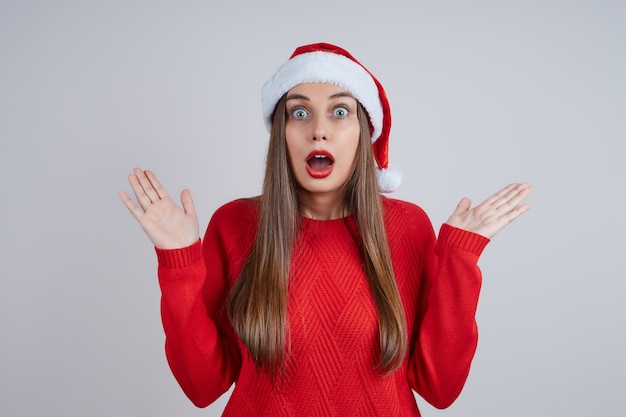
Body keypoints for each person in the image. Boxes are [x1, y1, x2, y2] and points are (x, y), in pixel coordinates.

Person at [119, 43, 531, 416]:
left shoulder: (408, 227)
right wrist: (178, 261)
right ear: (281, 133)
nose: (319, 129)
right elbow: (202, 387)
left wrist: (459, 258)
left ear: (364, 133)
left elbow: (440, 388)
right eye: (299, 113)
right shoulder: (234, 225)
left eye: (339, 111)